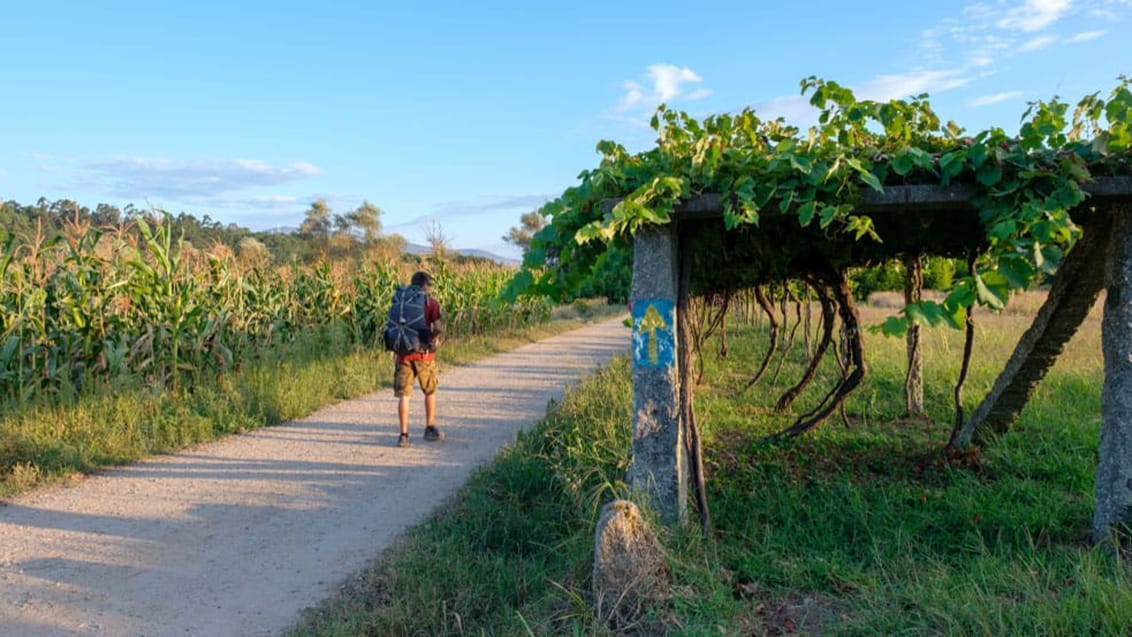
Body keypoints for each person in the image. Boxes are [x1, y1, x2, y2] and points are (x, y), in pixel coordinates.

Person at [394, 271, 444, 447]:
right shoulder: (431, 303)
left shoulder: (400, 303)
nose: (430, 288)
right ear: (424, 286)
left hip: (403, 354)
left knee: (404, 396)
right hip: (424, 355)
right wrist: (431, 337)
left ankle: (403, 435)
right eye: (429, 285)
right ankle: (430, 428)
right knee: (430, 391)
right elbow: (437, 327)